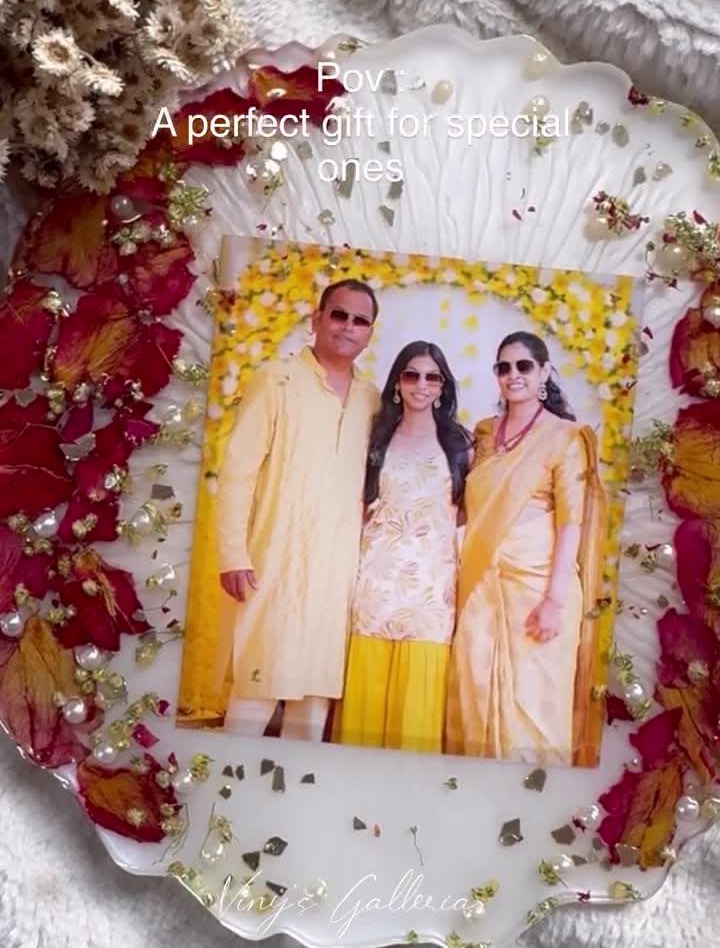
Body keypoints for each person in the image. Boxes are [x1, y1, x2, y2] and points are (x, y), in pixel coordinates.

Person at [216, 278, 380, 741]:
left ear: (370, 333)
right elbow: (237, 471)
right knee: (258, 684)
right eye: (339, 315)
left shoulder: (371, 398)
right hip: (274, 558)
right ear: (317, 319)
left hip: (336, 571)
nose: (347, 327)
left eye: (360, 320)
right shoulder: (276, 379)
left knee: (313, 701)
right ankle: (225, 776)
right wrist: (233, 554)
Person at [445, 331, 606, 767]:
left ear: (544, 372)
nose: (513, 375)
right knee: (473, 694)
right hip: (481, 583)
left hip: (538, 590)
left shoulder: (565, 437)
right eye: (504, 367)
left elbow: (571, 522)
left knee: (534, 712)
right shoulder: (483, 434)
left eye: (523, 366)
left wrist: (554, 601)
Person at [335, 342, 473, 753]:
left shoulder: (460, 445)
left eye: (432, 377)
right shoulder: (374, 437)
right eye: (412, 374)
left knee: (417, 719)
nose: (421, 384)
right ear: (397, 381)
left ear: (443, 386)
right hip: (376, 585)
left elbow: (467, 515)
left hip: (430, 590)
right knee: (363, 717)